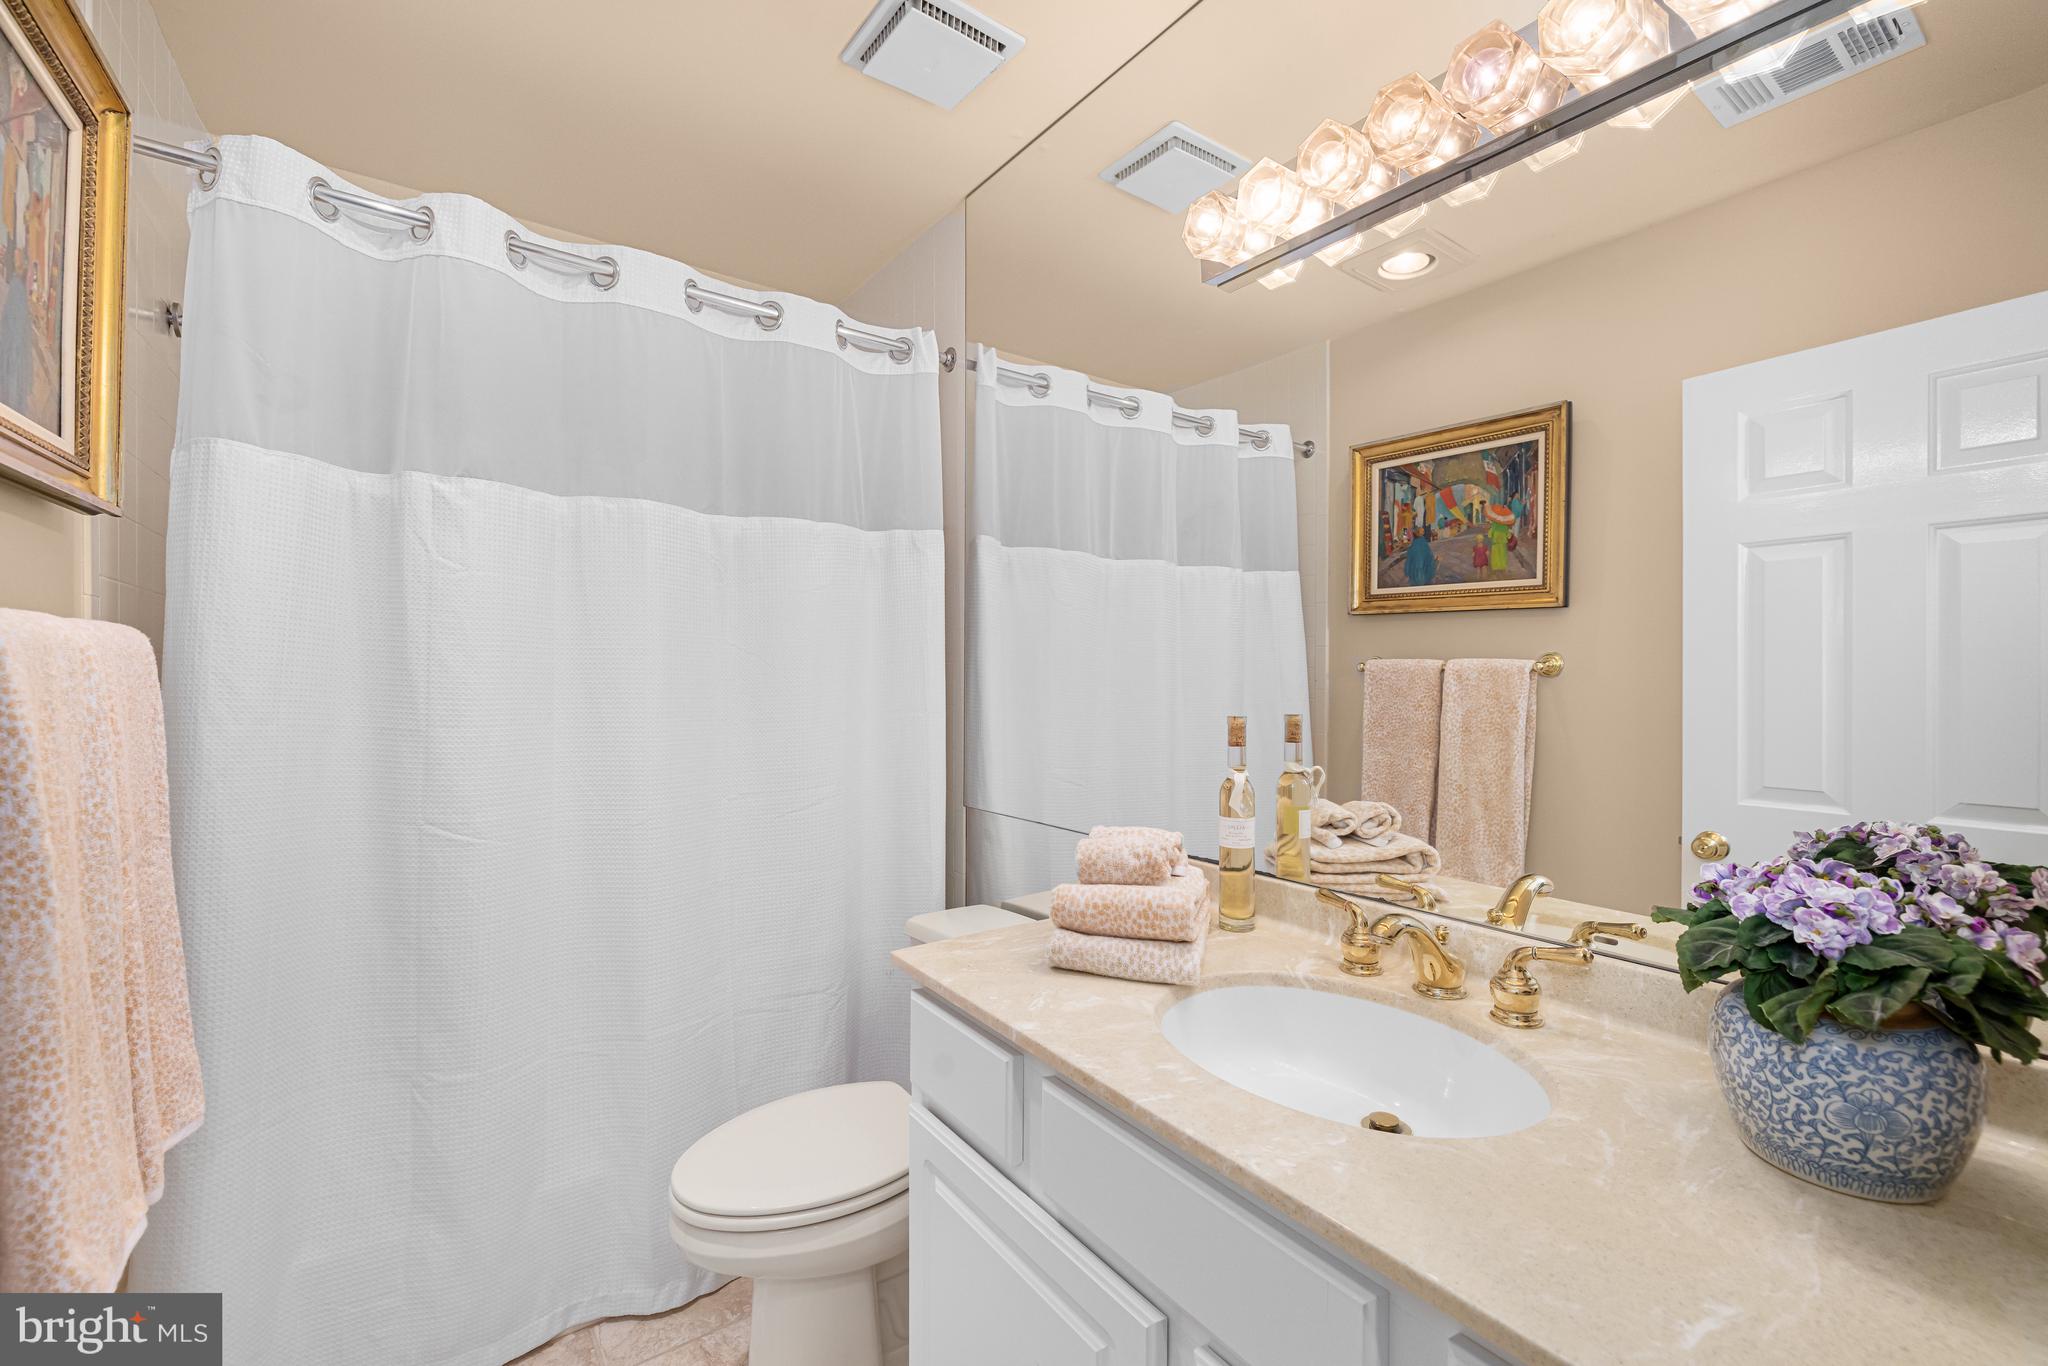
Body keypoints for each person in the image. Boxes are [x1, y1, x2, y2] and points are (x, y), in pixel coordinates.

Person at [1402, 523, 1436, 588]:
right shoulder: (1423, 544)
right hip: (1424, 575)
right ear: (1419, 533)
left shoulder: (1412, 547)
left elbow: (1408, 561)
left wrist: (1407, 571)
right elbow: (1429, 558)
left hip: (1414, 576)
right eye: (1422, 531)